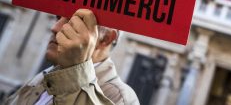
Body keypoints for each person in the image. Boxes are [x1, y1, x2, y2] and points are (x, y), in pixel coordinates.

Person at [5, 9, 140, 105]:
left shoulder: (120, 98)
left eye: (72, 23)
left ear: (106, 38)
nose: (55, 28)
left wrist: (75, 74)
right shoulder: (44, 76)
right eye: (58, 18)